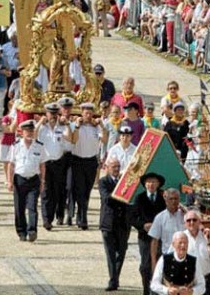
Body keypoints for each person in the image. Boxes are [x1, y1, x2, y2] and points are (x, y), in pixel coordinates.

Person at [129, 172, 167, 295]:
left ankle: (158, 290)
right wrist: (143, 225)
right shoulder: (140, 198)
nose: (151, 184)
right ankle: (147, 289)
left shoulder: (163, 198)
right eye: (148, 182)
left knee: (159, 263)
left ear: (158, 184)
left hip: (161, 237)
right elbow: (132, 218)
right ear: (145, 184)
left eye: (153, 182)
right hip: (145, 237)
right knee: (145, 265)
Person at [8, 120, 46, 242]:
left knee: (32, 207)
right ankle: (21, 231)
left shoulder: (39, 146)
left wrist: (42, 181)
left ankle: (32, 231)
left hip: (33, 180)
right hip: (19, 179)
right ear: (22, 132)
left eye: (31, 131)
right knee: (19, 208)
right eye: (27, 131)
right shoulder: (16, 145)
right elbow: (11, 165)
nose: (30, 133)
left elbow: (42, 165)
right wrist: (9, 181)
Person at [71, 103, 106, 229]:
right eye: (86, 113)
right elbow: (73, 140)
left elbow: (105, 139)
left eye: (90, 113)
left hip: (91, 162)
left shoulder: (95, 128)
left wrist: (101, 125)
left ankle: (80, 215)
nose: (88, 115)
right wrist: (76, 126)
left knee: (87, 190)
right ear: (81, 113)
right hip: (78, 161)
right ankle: (83, 217)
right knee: (80, 190)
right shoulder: (76, 126)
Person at [36, 103, 70, 231]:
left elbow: (70, 138)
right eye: (51, 113)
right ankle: (46, 219)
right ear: (46, 113)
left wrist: (66, 124)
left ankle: (50, 217)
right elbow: (33, 135)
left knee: (56, 192)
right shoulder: (41, 127)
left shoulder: (61, 127)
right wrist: (40, 122)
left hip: (58, 163)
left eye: (55, 113)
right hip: (45, 163)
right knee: (46, 192)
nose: (53, 116)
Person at [99, 159, 130, 292]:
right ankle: (113, 280)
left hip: (123, 223)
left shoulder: (125, 181)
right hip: (108, 223)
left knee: (121, 252)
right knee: (110, 253)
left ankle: (115, 277)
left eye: (118, 166)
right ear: (107, 167)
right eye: (113, 167)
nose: (116, 169)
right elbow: (107, 198)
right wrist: (120, 195)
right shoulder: (103, 181)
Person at [178, 210, 210, 294]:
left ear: (199, 222)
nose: (191, 222)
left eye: (194, 220)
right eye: (188, 220)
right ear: (185, 223)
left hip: (204, 281)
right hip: (186, 282)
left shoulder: (207, 236)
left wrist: (208, 240)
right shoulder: (180, 237)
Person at [149, 188, 185, 272]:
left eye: (176, 199)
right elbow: (154, 241)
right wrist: (154, 263)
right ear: (166, 200)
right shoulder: (160, 218)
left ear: (179, 200)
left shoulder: (185, 216)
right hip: (168, 257)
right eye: (171, 199)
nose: (173, 201)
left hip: (185, 257)